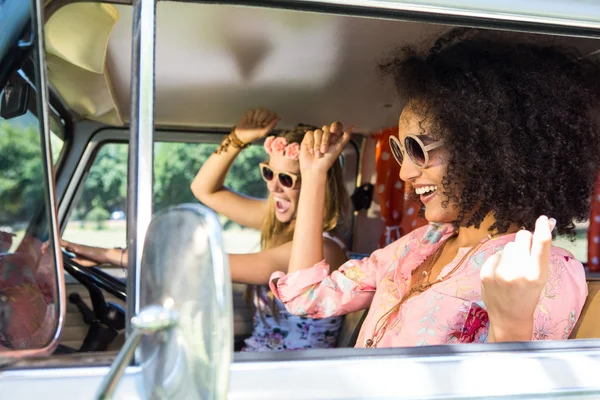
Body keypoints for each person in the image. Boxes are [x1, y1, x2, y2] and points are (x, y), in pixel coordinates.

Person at [270, 28, 600, 348]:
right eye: (400, 151)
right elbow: (307, 297)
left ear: (486, 152)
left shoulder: (545, 271)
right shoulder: (419, 244)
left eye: (417, 149)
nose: (404, 172)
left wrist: (510, 326)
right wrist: (313, 175)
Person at [59, 108, 350, 351]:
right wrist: (237, 139)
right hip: (259, 362)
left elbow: (204, 262)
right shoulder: (279, 218)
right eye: (268, 172)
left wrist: (112, 255)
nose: (273, 186)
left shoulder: (322, 249)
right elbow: (204, 189)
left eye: (287, 179)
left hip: (293, 379)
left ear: (315, 181)